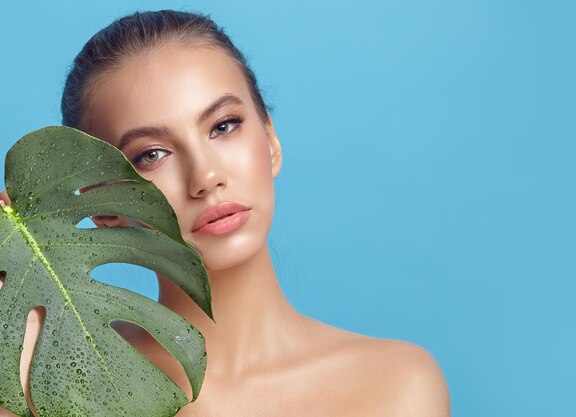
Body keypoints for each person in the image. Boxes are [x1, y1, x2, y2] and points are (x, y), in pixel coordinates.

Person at [0, 10, 449, 416]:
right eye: (152, 154)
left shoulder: (397, 385)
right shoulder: (58, 393)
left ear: (270, 140)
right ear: (104, 206)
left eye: (224, 126)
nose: (206, 176)